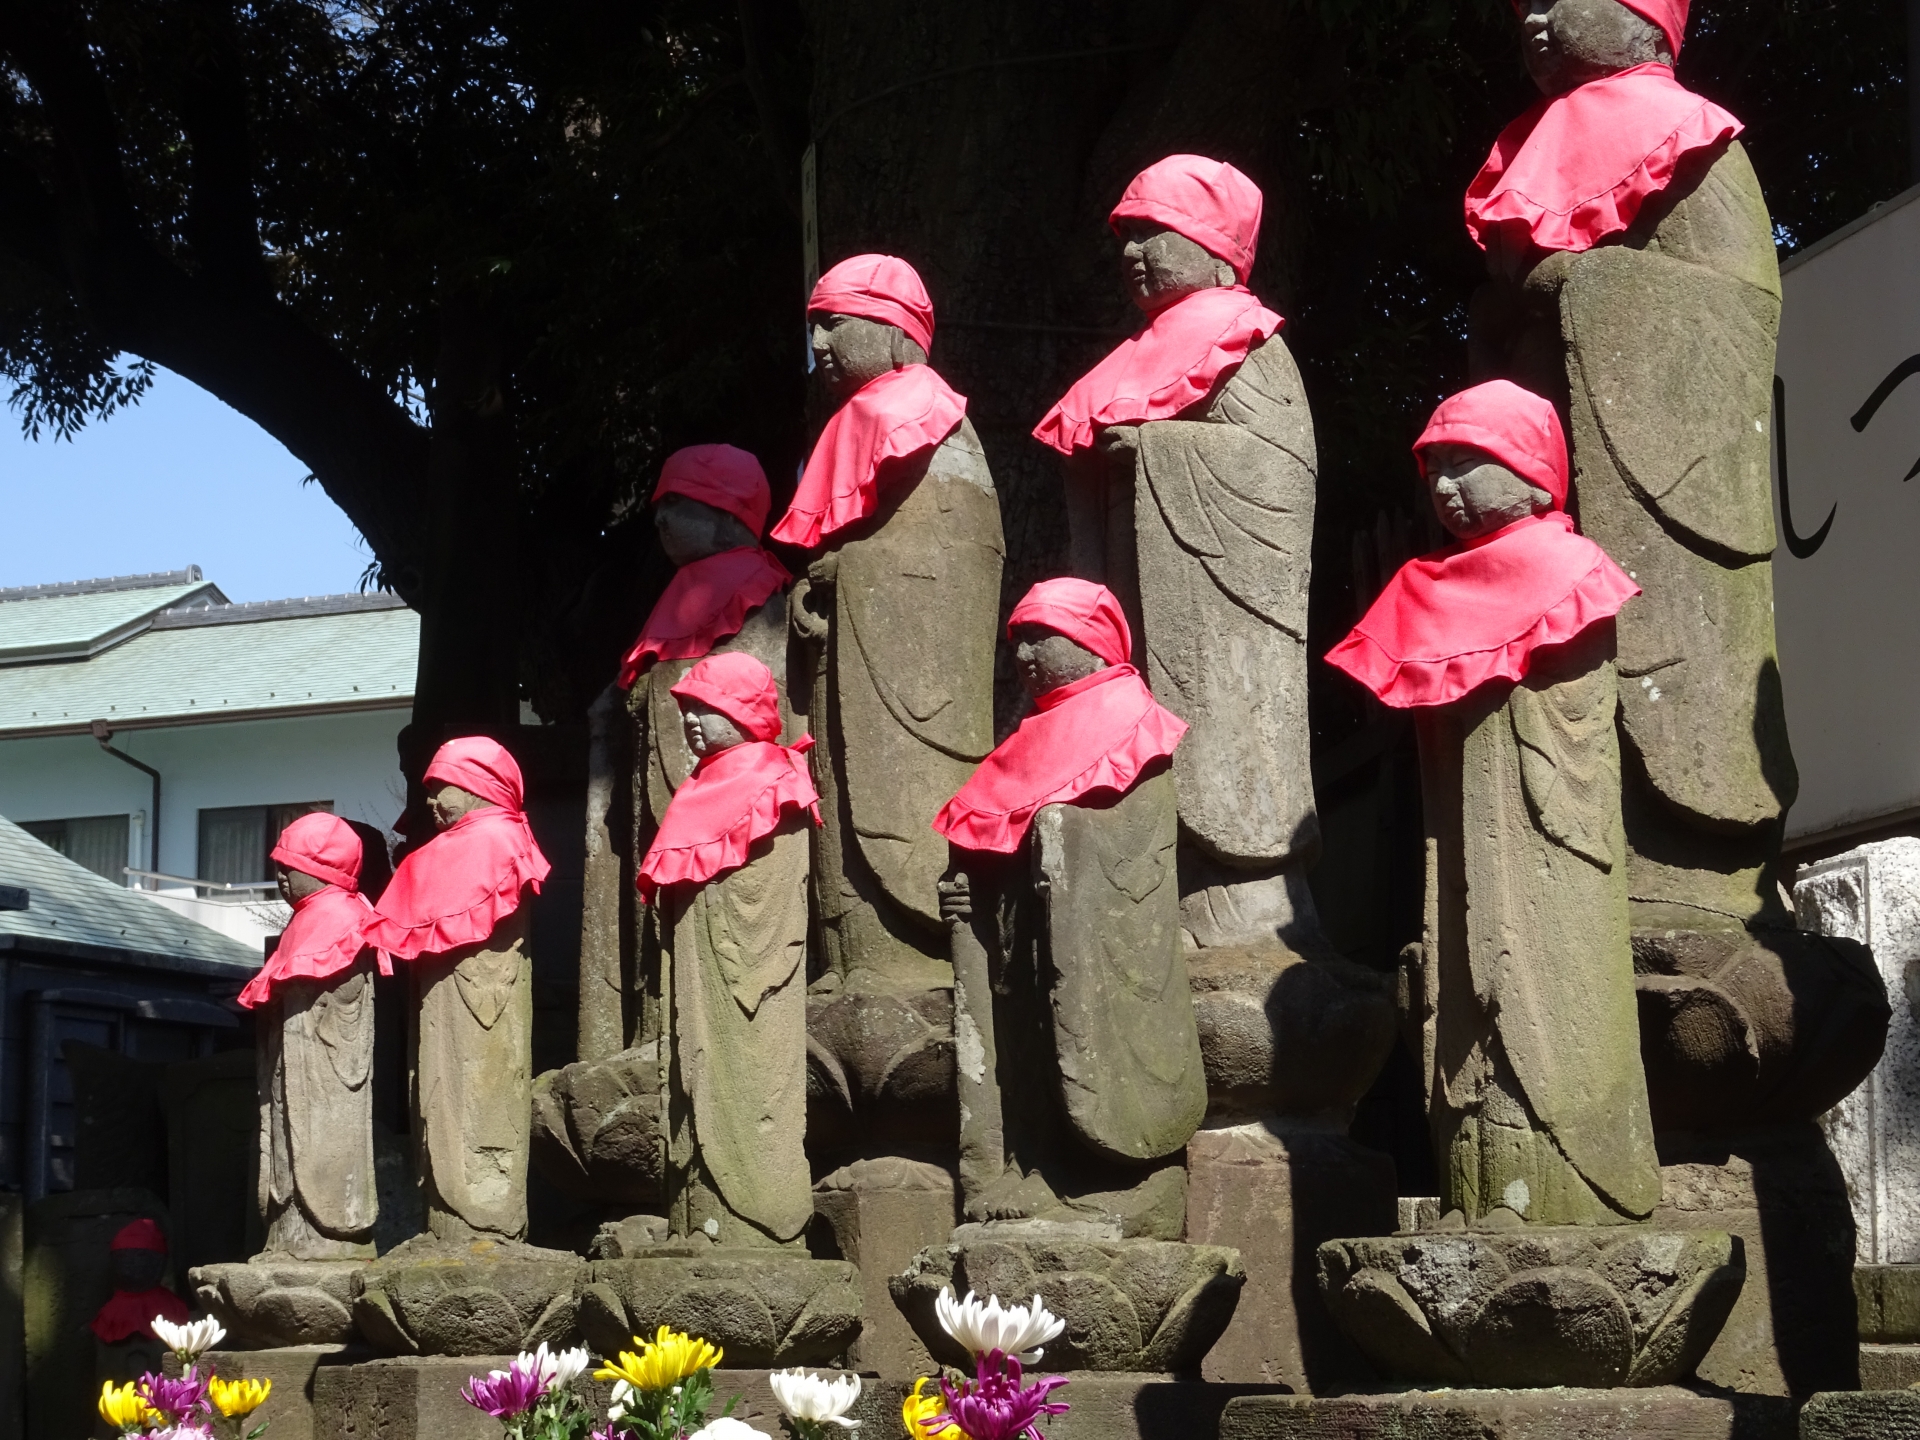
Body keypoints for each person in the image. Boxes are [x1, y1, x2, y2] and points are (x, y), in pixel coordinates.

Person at [1467, 0, 1793, 928]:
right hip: (1549, 481)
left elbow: (1737, 312)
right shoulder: (1526, 142)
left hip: (1656, 474)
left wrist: (1589, 283)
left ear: (1646, 22)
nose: (1533, 15)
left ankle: (1689, 875)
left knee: (1664, 652)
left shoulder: (1691, 138)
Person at [1327, 381, 1658, 1227]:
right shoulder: (1425, 585)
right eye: (1434, 469)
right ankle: (1474, 1189)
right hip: (1462, 847)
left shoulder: (1570, 569)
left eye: (1467, 465)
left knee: (1546, 1002)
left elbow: (1576, 725)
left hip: (1547, 840)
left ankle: (1571, 1188)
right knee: (1459, 995)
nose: (1444, 490)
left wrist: (1495, 695)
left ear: (1535, 474)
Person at [1034, 154, 1325, 957]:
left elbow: (1280, 478)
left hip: (1212, 603)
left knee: (1215, 735)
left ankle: (1239, 898)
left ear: (1215, 247)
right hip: (1137, 591)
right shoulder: (1126, 361)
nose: (1133, 252)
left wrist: (1158, 454)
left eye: (1155, 233)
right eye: (1125, 236)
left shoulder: (1247, 343)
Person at [776, 254, 1003, 1142]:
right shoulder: (854, 425)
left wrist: (850, 571)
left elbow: (955, 558)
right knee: (835, 803)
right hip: (844, 677)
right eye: (815, 325)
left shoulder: (927, 418)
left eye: (838, 322)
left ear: (898, 329)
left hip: (907, 688)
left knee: (896, 818)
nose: (821, 342)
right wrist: (821, 583)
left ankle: (905, 957)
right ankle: (855, 955)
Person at [934, 579, 1203, 1231]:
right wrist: (974, 893)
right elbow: (989, 841)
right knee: (1028, 1038)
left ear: (1090, 641)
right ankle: (1032, 1161)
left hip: (1103, 940)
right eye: (1017, 641)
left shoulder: (1130, 721)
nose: (1024, 655)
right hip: (1030, 941)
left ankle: (1094, 1174)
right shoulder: (1025, 741)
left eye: (1040, 637)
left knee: (1083, 1031)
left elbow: (1135, 843)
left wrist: (1060, 839)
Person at [637, 651, 820, 1248]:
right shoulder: (697, 788)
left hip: (749, 969)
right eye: (686, 709)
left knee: (753, 1085)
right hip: (694, 970)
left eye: (705, 708)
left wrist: (714, 909)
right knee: (688, 1082)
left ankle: (752, 1221)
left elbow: (775, 890)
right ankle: (698, 1212)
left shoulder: (775, 775)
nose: (691, 721)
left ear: (741, 712)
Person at [365, 738, 550, 1243]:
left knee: (485, 1097)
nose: (429, 802)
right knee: (432, 1093)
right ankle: (443, 1211)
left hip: (487, 1004)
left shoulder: (501, 839)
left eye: (440, 786)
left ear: (477, 786)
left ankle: (488, 1214)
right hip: (436, 1012)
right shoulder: (429, 857)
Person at [236, 812, 388, 1257]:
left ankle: (327, 1236)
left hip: (325, 1070)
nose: (281, 877)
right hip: (291, 1067)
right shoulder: (303, 921)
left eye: (291, 867)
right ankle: (287, 1232)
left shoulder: (340, 915)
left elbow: (338, 1001)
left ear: (323, 868)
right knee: (284, 1141)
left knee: (320, 1143)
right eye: (278, 867)